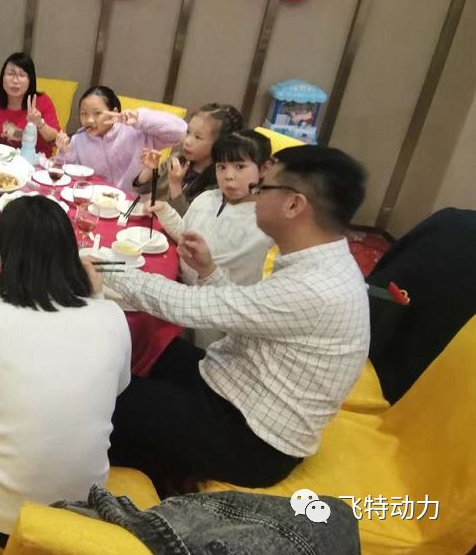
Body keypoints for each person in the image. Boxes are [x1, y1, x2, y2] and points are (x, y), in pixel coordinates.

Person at [91, 146, 369, 490]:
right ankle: (159, 459)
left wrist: (102, 264)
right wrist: (209, 270)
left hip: (254, 437)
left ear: (294, 205)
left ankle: (149, 478)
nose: (254, 195)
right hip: (234, 383)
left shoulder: (316, 287)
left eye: (262, 188)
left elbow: (189, 306)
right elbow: (245, 312)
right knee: (148, 345)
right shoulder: (320, 262)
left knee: (100, 397)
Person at [0, 196, 132, 545]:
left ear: (4, 253)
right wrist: (97, 298)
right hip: (83, 507)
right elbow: (119, 389)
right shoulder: (112, 316)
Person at [147, 130, 275, 348]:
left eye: (240, 166)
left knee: (206, 353)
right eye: (221, 167)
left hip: (224, 309)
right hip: (185, 293)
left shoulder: (267, 216)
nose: (229, 176)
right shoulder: (207, 198)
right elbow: (186, 236)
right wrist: (165, 211)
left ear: (264, 169)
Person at [53, 86, 187, 191]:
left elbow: (180, 131)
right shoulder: (78, 140)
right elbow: (68, 178)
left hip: (133, 205)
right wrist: (66, 151)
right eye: (84, 114)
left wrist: (140, 118)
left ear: (114, 112)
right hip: (94, 203)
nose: (89, 120)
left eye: (97, 113)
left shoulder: (137, 132)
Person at [133, 103, 244, 215]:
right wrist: (150, 170)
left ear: (220, 145)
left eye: (198, 137)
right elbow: (141, 191)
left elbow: (189, 220)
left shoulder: (218, 185)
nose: (187, 141)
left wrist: (175, 185)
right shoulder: (177, 159)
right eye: (188, 132)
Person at [0, 52, 60, 157]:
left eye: (22, 75)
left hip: (37, 163)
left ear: (30, 80)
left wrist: (39, 123)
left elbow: (54, 138)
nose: (15, 80)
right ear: (2, 78)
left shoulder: (42, 101)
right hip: (5, 162)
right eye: (10, 74)